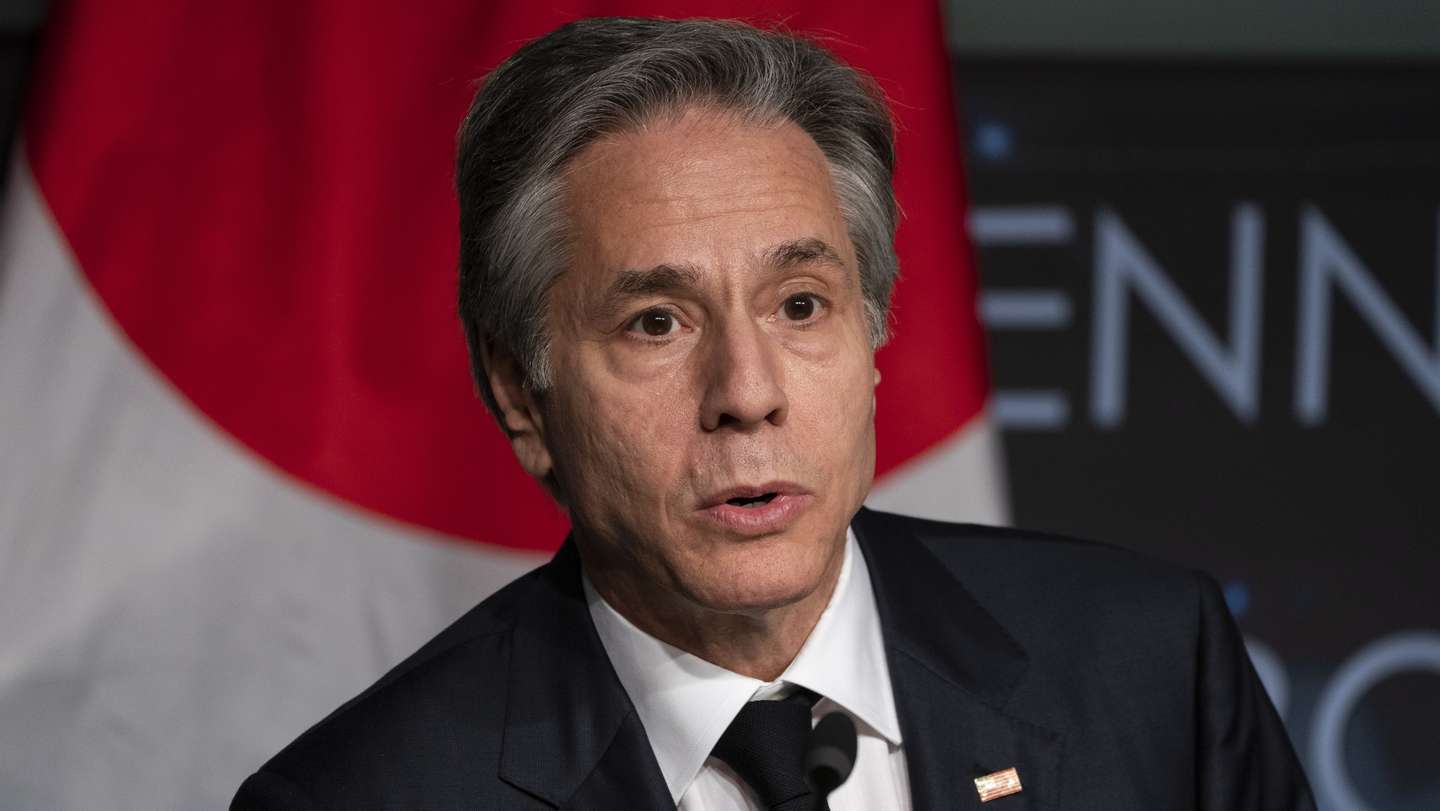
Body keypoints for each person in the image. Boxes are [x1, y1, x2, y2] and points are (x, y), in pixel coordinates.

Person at [232, 17, 1313, 810]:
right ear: (521, 391)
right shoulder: (365, 796)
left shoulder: (1152, 669)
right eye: (657, 322)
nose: (748, 392)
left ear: (873, 334)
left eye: (801, 305)